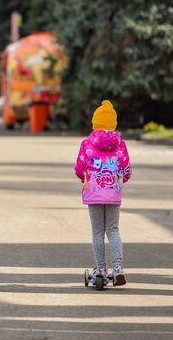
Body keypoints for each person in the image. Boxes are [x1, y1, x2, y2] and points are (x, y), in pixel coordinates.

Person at [74, 100, 132, 286]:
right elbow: (127, 169)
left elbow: (79, 168)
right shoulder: (120, 144)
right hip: (113, 192)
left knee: (97, 231)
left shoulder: (86, 144)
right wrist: (120, 180)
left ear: (95, 123)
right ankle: (118, 269)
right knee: (113, 230)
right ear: (113, 123)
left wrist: (84, 178)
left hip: (94, 193)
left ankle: (100, 270)